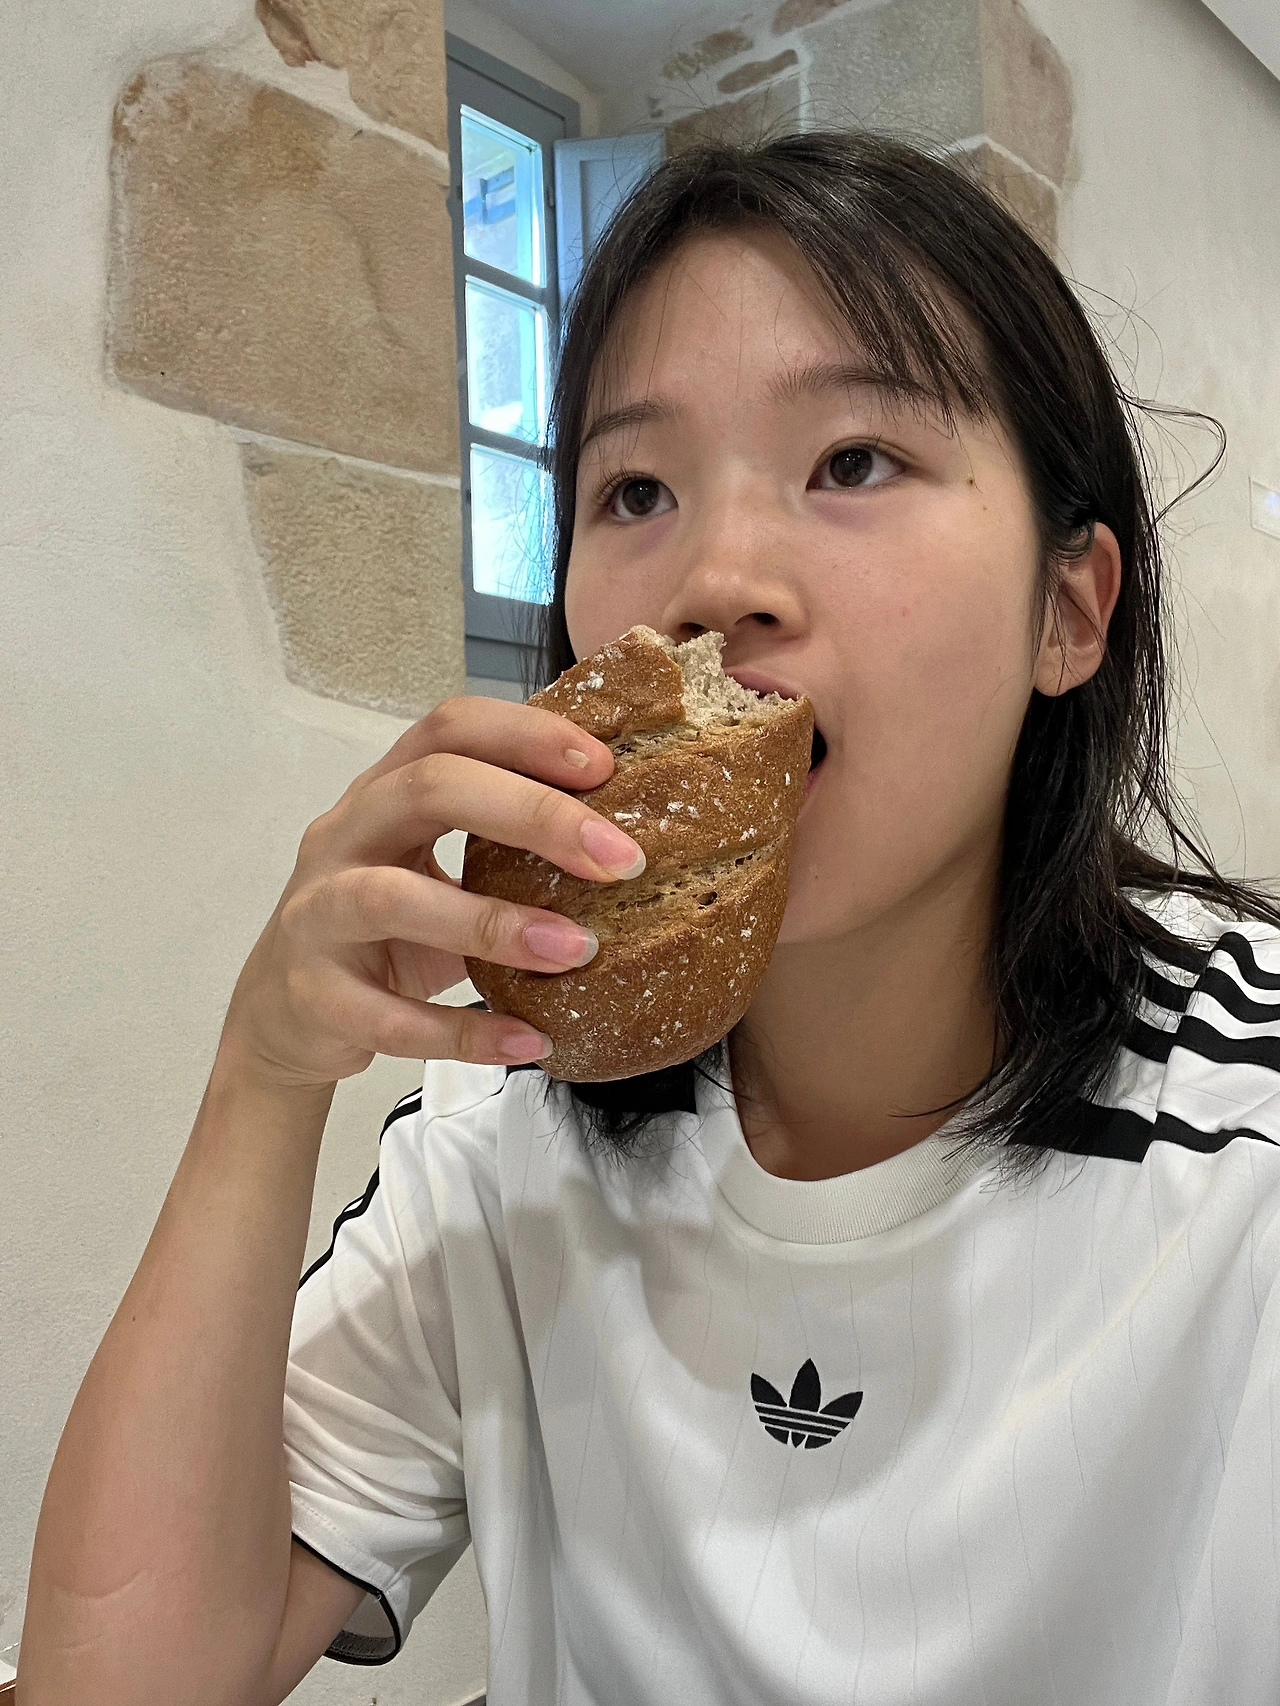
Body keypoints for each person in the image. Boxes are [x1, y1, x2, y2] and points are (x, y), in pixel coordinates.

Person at [20, 131, 1280, 1705]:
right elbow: (119, 1682)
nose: (717, 578)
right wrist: (264, 1075)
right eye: (635, 490)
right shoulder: (508, 1129)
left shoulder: (1244, 1153)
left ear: (1068, 609)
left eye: (853, 461)